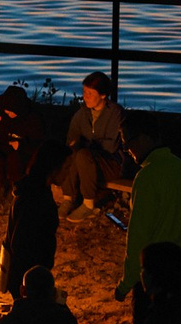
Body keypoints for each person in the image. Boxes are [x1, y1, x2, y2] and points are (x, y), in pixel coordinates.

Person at [115, 136, 181, 298]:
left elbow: (138, 235)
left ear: (143, 138)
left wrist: (126, 284)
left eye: (127, 141)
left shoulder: (147, 176)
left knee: (151, 320)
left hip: (155, 272)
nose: (126, 148)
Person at [51, 72, 130, 218]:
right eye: (84, 92)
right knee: (72, 152)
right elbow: (71, 139)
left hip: (112, 163)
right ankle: (68, 199)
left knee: (82, 154)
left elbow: (111, 146)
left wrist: (85, 145)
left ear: (102, 95)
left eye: (90, 93)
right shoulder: (83, 113)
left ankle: (88, 204)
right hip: (87, 160)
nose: (85, 96)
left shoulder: (115, 113)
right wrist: (76, 145)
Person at [0, 147, 60, 297]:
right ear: (53, 168)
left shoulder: (37, 191)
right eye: (67, 166)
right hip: (27, 282)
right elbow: (19, 244)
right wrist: (31, 283)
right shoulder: (33, 198)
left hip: (32, 278)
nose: (71, 171)